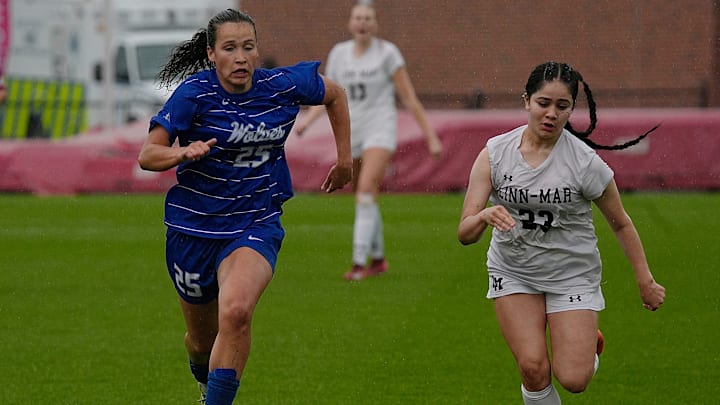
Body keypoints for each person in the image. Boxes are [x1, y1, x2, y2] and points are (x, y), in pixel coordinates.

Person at [137, 9, 352, 405]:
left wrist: (344, 160)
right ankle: (206, 388)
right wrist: (183, 152)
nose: (240, 57)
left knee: (235, 313)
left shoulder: (281, 85)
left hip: (255, 223)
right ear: (211, 54)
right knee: (201, 342)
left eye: (248, 48)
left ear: (257, 53)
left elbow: (335, 94)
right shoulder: (194, 94)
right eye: (230, 48)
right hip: (194, 230)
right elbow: (148, 155)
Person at [457, 61, 666, 404]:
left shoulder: (585, 163)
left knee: (573, 379)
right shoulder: (495, 154)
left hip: (572, 273)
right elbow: (464, 233)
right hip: (514, 271)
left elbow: (621, 222)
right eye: (543, 103)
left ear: (572, 109)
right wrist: (484, 216)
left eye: (562, 106)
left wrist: (645, 279)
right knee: (533, 367)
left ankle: (587, 344)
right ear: (526, 101)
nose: (551, 114)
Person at [293, 1, 443, 281]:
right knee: (364, 197)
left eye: (367, 18)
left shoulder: (388, 54)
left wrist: (431, 136)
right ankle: (379, 259)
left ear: (375, 24)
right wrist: (308, 123)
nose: (362, 23)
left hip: (380, 129)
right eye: (358, 18)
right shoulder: (339, 53)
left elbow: (408, 97)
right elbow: (329, 93)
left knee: (365, 189)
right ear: (351, 23)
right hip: (352, 130)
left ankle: (359, 263)